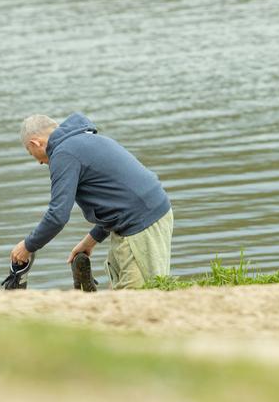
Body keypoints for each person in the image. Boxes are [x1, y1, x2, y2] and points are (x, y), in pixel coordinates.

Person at [10, 112, 173, 290]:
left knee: (137, 299)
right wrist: (90, 241)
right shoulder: (83, 140)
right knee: (118, 286)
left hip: (142, 222)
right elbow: (116, 201)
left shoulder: (63, 154)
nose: (39, 163)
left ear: (35, 143)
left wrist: (27, 246)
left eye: (31, 153)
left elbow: (57, 216)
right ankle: (92, 297)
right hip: (137, 216)